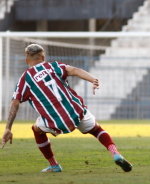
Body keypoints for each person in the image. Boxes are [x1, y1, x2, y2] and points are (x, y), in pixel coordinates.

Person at [1, 44, 132, 172]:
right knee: (97, 129)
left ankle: (54, 165)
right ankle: (115, 153)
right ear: (43, 57)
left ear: (26, 60)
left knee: (37, 130)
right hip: (76, 111)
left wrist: (8, 128)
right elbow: (75, 71)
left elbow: (15, 103)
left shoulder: (25, 78)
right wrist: (93, 80)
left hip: (55, 121)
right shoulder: (54, 66)